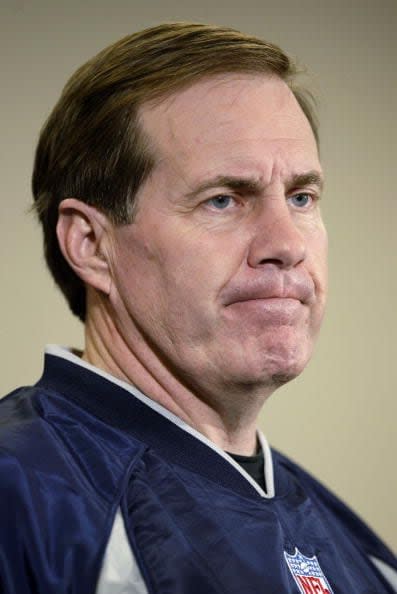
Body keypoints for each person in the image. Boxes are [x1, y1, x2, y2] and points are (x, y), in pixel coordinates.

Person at [0, 22, 396, 594]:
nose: (287, 244)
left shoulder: (360, 553)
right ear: (91, 245)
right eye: (223, 200)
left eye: (302, 197)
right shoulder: (19, 500)